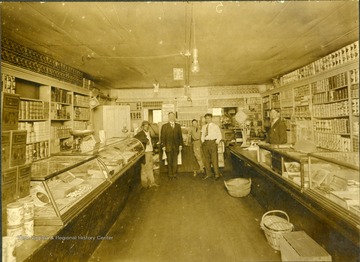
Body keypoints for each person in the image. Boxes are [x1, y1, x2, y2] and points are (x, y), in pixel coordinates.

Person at [134, 121, 159, 188]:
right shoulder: (141, 133)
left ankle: (152, 182)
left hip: (150, 152)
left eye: (148, 126)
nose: (147, 127)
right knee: (144, 169)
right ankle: (145, 184)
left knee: (150, 167)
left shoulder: (148, 132)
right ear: (142, 127)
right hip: (145, 153)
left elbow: (156, 133)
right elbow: (135, 138)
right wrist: (145, 140)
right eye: (145, 126)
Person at [160, 112, 184, 179]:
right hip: (168, 146)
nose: (171, 117)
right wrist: (163, 146)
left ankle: (174, 174)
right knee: (169, 161)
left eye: (172, 116)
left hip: (176, 147)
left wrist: (180, 145)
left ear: (174, 117)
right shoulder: (164, 126)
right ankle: (170, 175)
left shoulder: (178, 126)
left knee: (175, 161)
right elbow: (162, 137)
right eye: (170, 116)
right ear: (168, 117)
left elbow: (180, 137)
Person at [201, 113, 223, 180]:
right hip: (205, 144)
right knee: (206, 160)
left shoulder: (215, 126)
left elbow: (220, 136)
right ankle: (208, 174)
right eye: (206, 118)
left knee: (214, 159)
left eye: (209, 118)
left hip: (212, 143)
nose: (208, 119)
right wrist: (203, 141)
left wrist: (215, 142)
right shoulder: (204, 126)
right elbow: (202, 135)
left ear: (211, 118)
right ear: (205, 119)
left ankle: (217, 174)